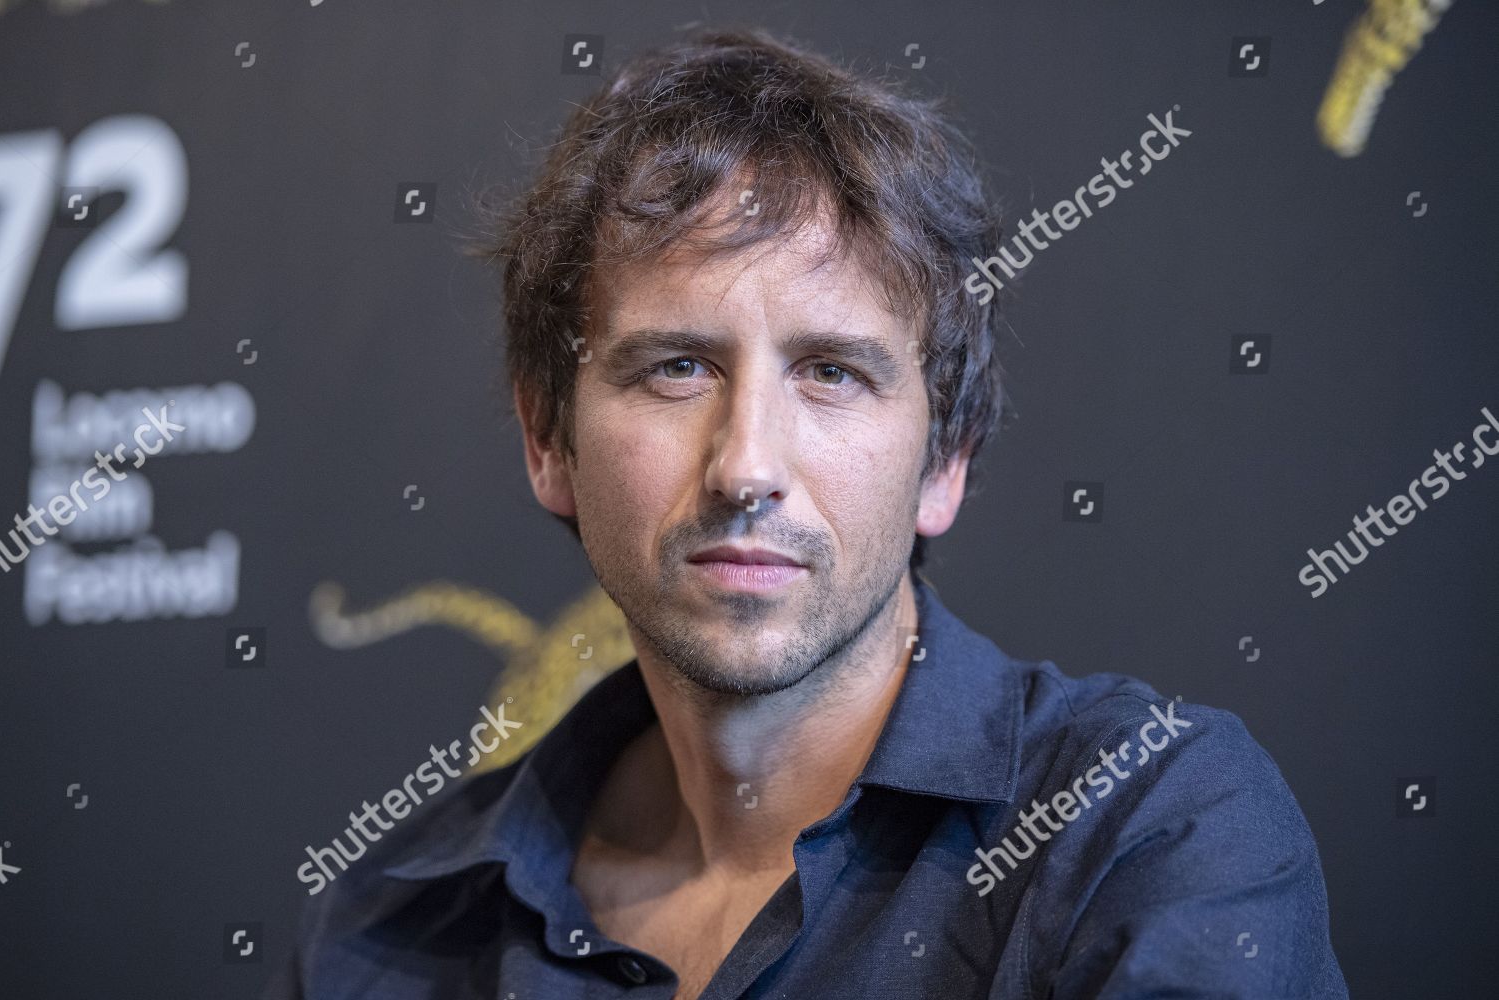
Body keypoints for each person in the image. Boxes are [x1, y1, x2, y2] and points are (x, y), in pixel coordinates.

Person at [265, 25, 1348, 999]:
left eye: (831, 371)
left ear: (945, 460)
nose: (746, 465)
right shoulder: (385, 935)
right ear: (548, 439)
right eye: (678, 367)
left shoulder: (1149, 830)